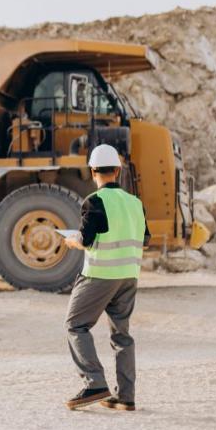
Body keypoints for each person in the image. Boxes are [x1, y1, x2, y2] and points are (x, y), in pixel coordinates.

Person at [62, 143, 151, 411]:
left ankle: (94, 382)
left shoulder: (95, 201)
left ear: (92, 171)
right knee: (121, 335)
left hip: (100, 275)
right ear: (118, 170)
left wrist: (71, 241)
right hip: (129, 276)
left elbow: (86, 241)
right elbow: (145, 241)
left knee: (76, 325)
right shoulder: (135, 203)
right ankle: (126, 396)